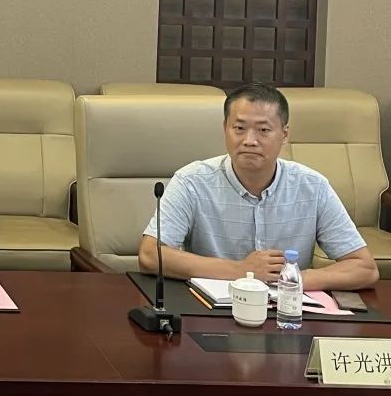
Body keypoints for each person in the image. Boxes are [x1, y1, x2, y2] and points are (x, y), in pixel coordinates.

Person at [138, 81, 378, 290]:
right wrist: (241, 270)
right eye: (239, 129)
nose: (249, 141)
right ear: (225, 129)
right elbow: (150, 255)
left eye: (263, 130)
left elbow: (364, 268)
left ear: (284, 135)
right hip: (210, 309)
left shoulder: (313, 186)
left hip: (286, 311)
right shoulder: (192, 181)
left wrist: (293, 279)